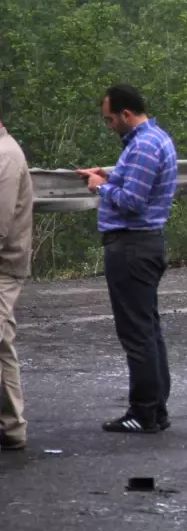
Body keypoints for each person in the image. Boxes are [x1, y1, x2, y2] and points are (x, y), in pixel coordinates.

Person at [76, 84, 178, 434]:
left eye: (110, 119)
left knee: (136, 333)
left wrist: (99, 187)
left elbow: (132, 201)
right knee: (148, 329)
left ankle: (144, 411)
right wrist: (110, 174)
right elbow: (137, 184)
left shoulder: (144, 145)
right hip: (145, 245)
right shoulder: (154, 139)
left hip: (132, 247)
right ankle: (156, 408)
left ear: (127, 115)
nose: (109, 126)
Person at [0, 115, 33, 452]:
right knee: (2, 342)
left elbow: (1, 219)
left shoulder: (6, 157)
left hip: (4, 266)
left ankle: (12, 427)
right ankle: (12, 428)